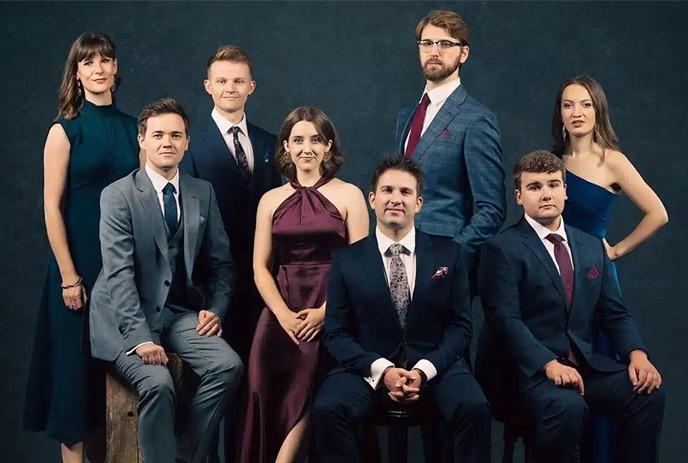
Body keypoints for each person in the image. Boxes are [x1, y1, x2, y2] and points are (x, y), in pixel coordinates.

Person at [477, 150, 664, 463]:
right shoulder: (502, 249)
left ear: (566, 190)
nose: (546, 193)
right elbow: (504, 321)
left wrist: (637, 354)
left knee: (647, 393)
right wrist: (549, 364)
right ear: (519, 196)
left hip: (584, 368)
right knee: (567, 406)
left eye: (553, 184)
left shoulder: (590, 246)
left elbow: (613, 312)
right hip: (525, 375)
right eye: (535, 187)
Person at [88, 98, 243, 463]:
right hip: (123, 319)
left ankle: (183, 456)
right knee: (158, 383)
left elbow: (223, 266)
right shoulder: (118, 195)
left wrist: (215, 310)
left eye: (175, 135)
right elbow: (119, 273)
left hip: (176, 312)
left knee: (228, 366)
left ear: (187, 141)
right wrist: (140, 338)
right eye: (157, 135)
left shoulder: (201, 192)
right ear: (142, 140)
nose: (167, 142)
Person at [312, 155, 491, 462]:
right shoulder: (346, 260)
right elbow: (336, 333)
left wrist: (423, 370)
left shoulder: (450, 253)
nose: (396, 199)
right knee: (328, 408)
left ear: (419, 203)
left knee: (474, 407)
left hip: (436, 367)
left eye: (405, 192)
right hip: (367, 369)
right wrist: (382, 370)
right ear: (372, 199)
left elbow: (461, 326)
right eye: (388, 190)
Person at [23, 32, 139, 463]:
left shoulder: (134, 130)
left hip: (123, 271)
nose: (98, 69)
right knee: (74, 383)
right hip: (77, 273)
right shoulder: (64, 129)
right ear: (77, 72)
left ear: (115, 69)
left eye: (105, 60)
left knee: (116, 381)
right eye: (88, 63)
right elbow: (52, 209)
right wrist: (69, 276)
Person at [237, 107, 369, 463]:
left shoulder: (351, 195)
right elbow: (260, 268)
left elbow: (362, 268)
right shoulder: (270, 200)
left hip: (332, 307)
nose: (306, 147)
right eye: (298, 140)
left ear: (328, 146)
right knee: (260, 389)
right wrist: (282, 315)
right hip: (280, 310)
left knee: (310, 392)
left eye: (315, 139)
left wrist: (326, 314)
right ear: (286, 146)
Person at [552, 75, 668, 461]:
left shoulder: (611, 160)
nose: (577, 112)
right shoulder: (554, 161)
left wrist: (616, 251)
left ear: (598, 109)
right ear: (560, 113)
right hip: (558, 279)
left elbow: (658, 213)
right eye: (569, 105)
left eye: (585, 104)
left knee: (603, 372)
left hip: (596, 279)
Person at [179, 46, 281, 462]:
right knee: (212, 381)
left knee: (254, 384)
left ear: (251, 87)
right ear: (208, 87)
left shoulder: (271, 143)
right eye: (221, 80)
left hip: (262, 285)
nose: (230, 88)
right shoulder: (190, 143)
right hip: (208, 286)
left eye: (239, 80)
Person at [395, 9, 505, 266]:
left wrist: (453, 255)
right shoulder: (406, 115)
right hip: (400, 255)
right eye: (427, 43)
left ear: (463, 53)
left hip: (445, 262)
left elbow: (492, 209)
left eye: (445, 44)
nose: (434, 51)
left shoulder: (477, 120)